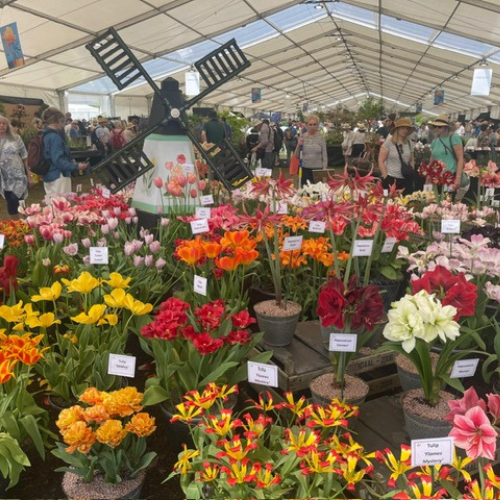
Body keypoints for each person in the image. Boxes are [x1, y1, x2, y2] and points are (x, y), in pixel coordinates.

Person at [41, 107, 88, 196]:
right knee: (63, 202)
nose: (62, 125)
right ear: (57, 121)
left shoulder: (44, 134)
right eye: (62, 121)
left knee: (52, 203)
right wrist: (76, 166)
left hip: (48, 175)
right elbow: (58, 160)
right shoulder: (54, 137)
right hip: (59, 176)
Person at [428, 114, 468, 202]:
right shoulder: (435, 141)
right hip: (437, 178)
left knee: (448, 203)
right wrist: (428, 177)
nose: (437, 128)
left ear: (446, 127)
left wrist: (458, 178)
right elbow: (432, 160)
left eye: (440, 127)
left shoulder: (454, 137)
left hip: (450, 176)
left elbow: (460, 158)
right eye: (435, 126)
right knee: (436, 203)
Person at [0, 115, 31, 220]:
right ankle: (16, 225)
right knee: (11, 201)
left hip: (18, 176)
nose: (2, 125)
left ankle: (27, 223)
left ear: (8, 125)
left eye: (4, 123)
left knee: (22, 200)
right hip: (4, 178)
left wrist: (29, 173)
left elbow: (24, 156)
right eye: (0, 123)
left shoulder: (16, 138)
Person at [378, 118, 415, 195]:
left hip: (406, 179)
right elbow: (381, 161)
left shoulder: (409, 143)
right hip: (391, 178)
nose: (405, 130)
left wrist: (411, 171)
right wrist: (386, 177)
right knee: (390, 200)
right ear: (397, 129)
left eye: (407, 128)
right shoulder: (389, 143)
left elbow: (411, 159)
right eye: (403, 128)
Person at [294, 114, 327, 187]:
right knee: (305, 191)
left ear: (317, 125)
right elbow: (296, 155)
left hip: (317, 170)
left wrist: (324, 168)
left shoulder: (321, 138)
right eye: (310, 124)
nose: (312, 126)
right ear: (306, 125)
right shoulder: (302, 137)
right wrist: (299, 145)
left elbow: (324, 155)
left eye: (314, 124)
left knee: (318, 191)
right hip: (305, 169)